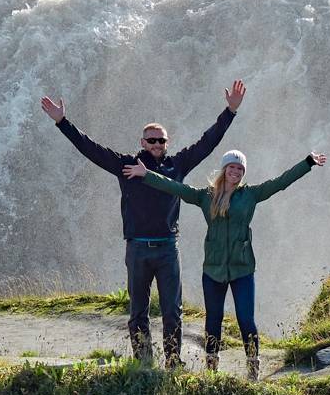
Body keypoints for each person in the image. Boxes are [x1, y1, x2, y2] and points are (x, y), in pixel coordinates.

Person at [40, 81, 245, 367]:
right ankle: (144, 363)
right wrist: (62, 122)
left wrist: (230, 111)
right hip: (137, 248)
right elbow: (91, 149)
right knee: (138, 311)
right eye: (151, 140)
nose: (157, 145)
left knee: (173, 311)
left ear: (167, 142)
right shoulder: (126, 165)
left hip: (167, 248)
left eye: (161, 140)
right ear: (142, 142)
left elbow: (207, 142)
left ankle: (173, 363)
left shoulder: (178, 165)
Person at [122, 148, 326, 380]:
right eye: (232, 167)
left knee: (246, 319)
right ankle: (212, 368)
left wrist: (307, 163)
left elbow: (280, 182)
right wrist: (146, 174)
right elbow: (176, 187)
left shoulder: (251, 194)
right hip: (213, 269)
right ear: (224, 169)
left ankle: (252, 366)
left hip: (242, 268)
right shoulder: (206, 196)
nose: (235, 172)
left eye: (240, 169)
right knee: (213, 319)